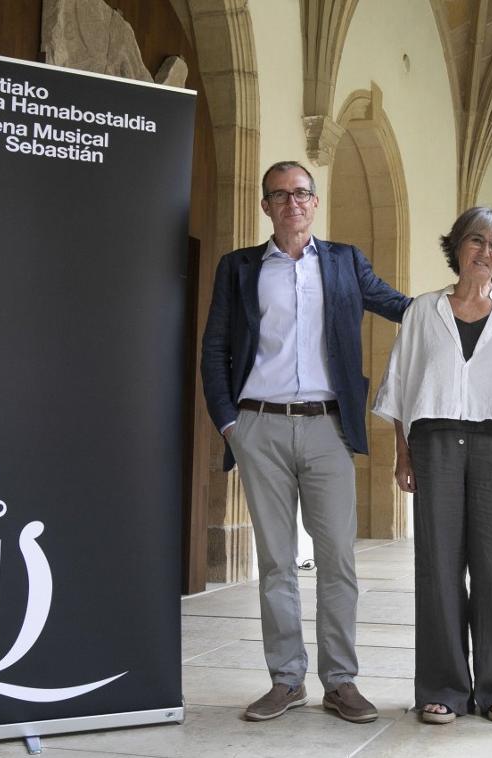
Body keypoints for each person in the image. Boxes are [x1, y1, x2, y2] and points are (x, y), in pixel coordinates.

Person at [200, 160, 410, 724]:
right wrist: (230, 425)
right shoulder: (239, 267)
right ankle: (286, 680)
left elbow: (399, 306)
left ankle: (340, 681)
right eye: (280, 195)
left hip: (327, 426)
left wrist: (470, 297)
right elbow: (215, 347)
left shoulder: (344, 261)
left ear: (315, 202)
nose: (292, 202)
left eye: (301, 193)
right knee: (276, 562)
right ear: (265, 206)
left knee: (338, 558)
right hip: (259, 426)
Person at [373, 207, 492, 725]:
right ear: (457, 246)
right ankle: (443, 687)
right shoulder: (422, 311)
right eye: (476, 240)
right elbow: (400, 385)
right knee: (437, 566)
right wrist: (403, 454)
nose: (485, 252)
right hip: (434, 443)